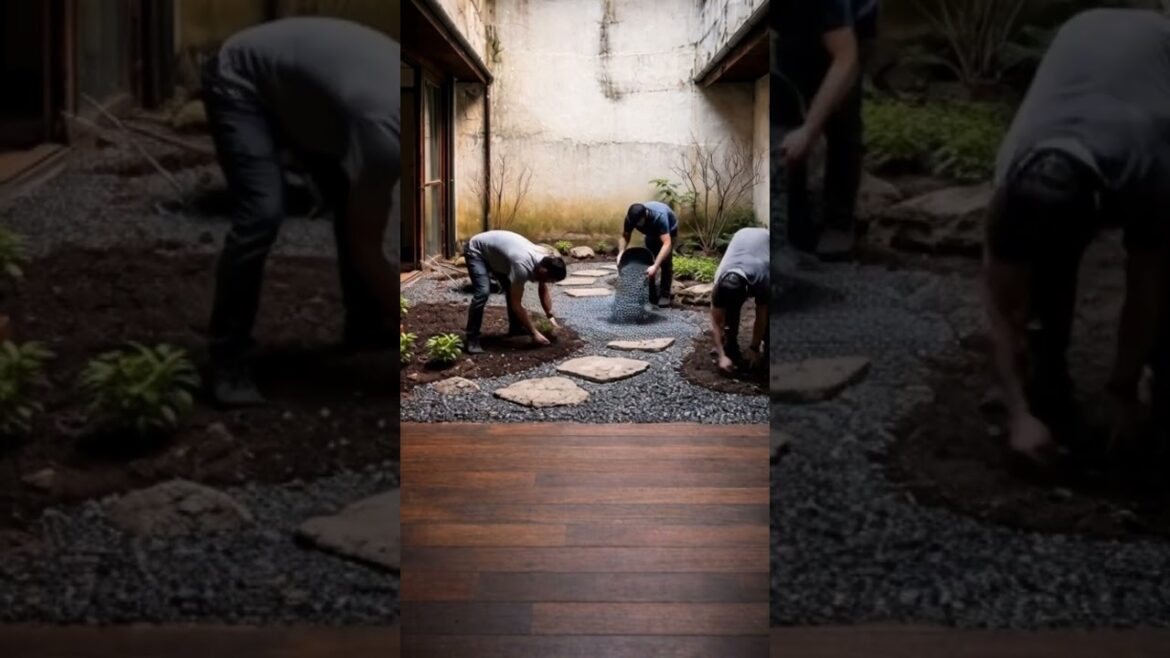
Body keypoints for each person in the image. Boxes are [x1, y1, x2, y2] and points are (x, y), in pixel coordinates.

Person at [983, 8, 1170, 463]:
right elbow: (1000, 308)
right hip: (1081, 35)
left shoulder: (1152, 167)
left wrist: (1123, 390)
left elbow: (1146, 283)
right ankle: (1047, 382)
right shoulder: (1012, 176)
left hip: (1156, 63)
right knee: (1047, 274)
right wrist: (1018, 413)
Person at [200, 17, 400, 406]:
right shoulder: (383, 138)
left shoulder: (388, 119)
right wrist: (408, 324)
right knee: (261, 213)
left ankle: (366, 324)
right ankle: (227, 361)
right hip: (239, 80)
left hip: (309, 93)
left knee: (348, 197)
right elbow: (367, 247)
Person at [772, 0, 878, 260]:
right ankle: (796, 219)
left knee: (842, 114)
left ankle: (839, 222)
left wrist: (809, 130)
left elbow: (846, 58)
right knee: (790, 101)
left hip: (852, 31)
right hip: (796, 27)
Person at [463, 230, 568, 354]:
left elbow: (543, 288)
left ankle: (515, 328)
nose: (549, 282)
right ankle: (472, 338)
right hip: (476, 250)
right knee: (483, 292)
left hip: (497, 255)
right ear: (544, 271)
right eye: (551, 280)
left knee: (511, 287)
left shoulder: (544, 260)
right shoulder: (522, 266)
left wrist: (549, 315)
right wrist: (534, 333)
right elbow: (516, 304)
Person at [712, 227, 769, 373]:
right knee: (731, 313)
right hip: (741, 235)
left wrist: (754, 348)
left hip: (766, 241)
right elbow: (717, 323)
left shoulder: (763, 278)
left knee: (770, 312)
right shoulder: (719, 281)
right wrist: (721, 355)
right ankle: (731, 346)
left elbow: (761, 315)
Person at [618, 201, 679, 308]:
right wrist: (621, 253)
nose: (636, 225)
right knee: (649, 256)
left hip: (670, 229)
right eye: (634, 223)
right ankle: (651, 292)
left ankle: (665, 294)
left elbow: (667, 243)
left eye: (638, 223)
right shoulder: (630, 219)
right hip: (650, 232)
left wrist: (656, 266)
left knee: (665, 261)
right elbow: (625, 236)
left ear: (645, 215)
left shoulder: (659, 217)